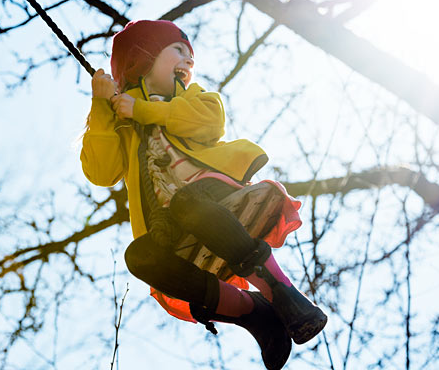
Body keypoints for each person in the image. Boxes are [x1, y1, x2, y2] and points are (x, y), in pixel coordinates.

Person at [81, 20, 326, 369]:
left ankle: (281, 292)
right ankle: (252, 312)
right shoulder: (120, 116)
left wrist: (145, 110)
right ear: (144, 57)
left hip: (214, 195)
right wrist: (102, 110)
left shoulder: (191, 97)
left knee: (188, 202)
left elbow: (212, 121)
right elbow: (101, 172)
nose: (189, 62)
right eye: (179, 50)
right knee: (140, 257)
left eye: (191, 58)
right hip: (173, 226)